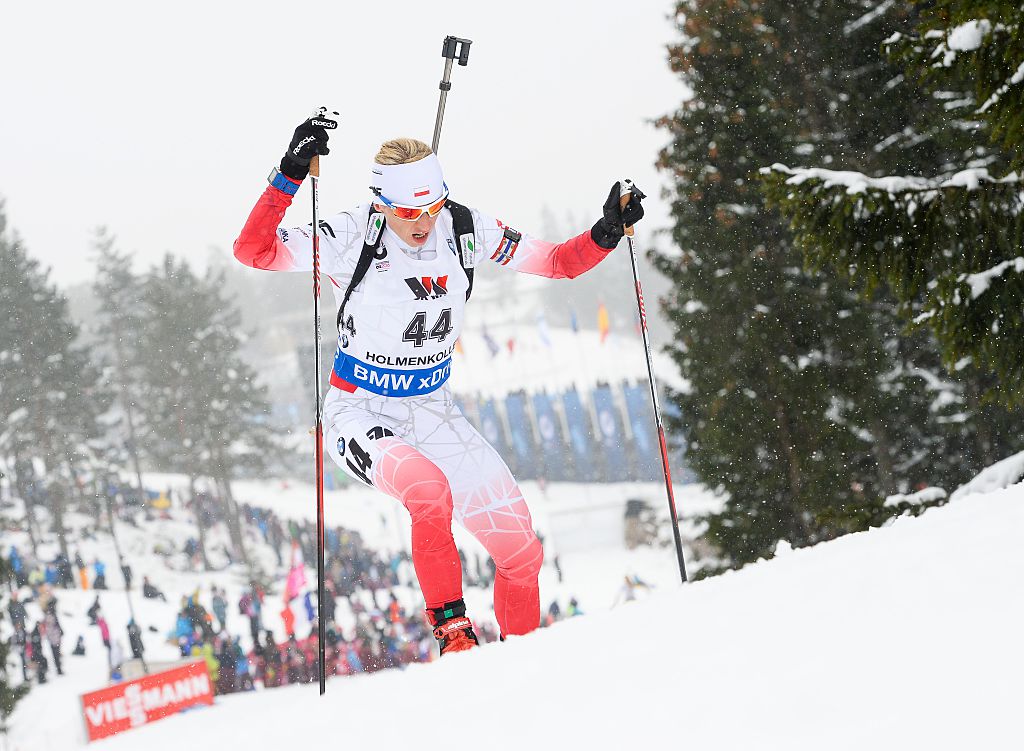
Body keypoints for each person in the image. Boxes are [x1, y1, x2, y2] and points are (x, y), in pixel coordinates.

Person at [234, 111, 644, 655]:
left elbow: (557, 263)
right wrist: (288, 175)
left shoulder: (465, 227)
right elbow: (253, 250)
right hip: (361, 411)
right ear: (382, 202)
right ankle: (454, 634)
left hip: (433, 410)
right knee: (428, 491)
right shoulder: (350, 233)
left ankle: (526, 662)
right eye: (408, 211)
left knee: (522, 554)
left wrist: (606, 232)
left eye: (432, 206)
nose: (423, 223)